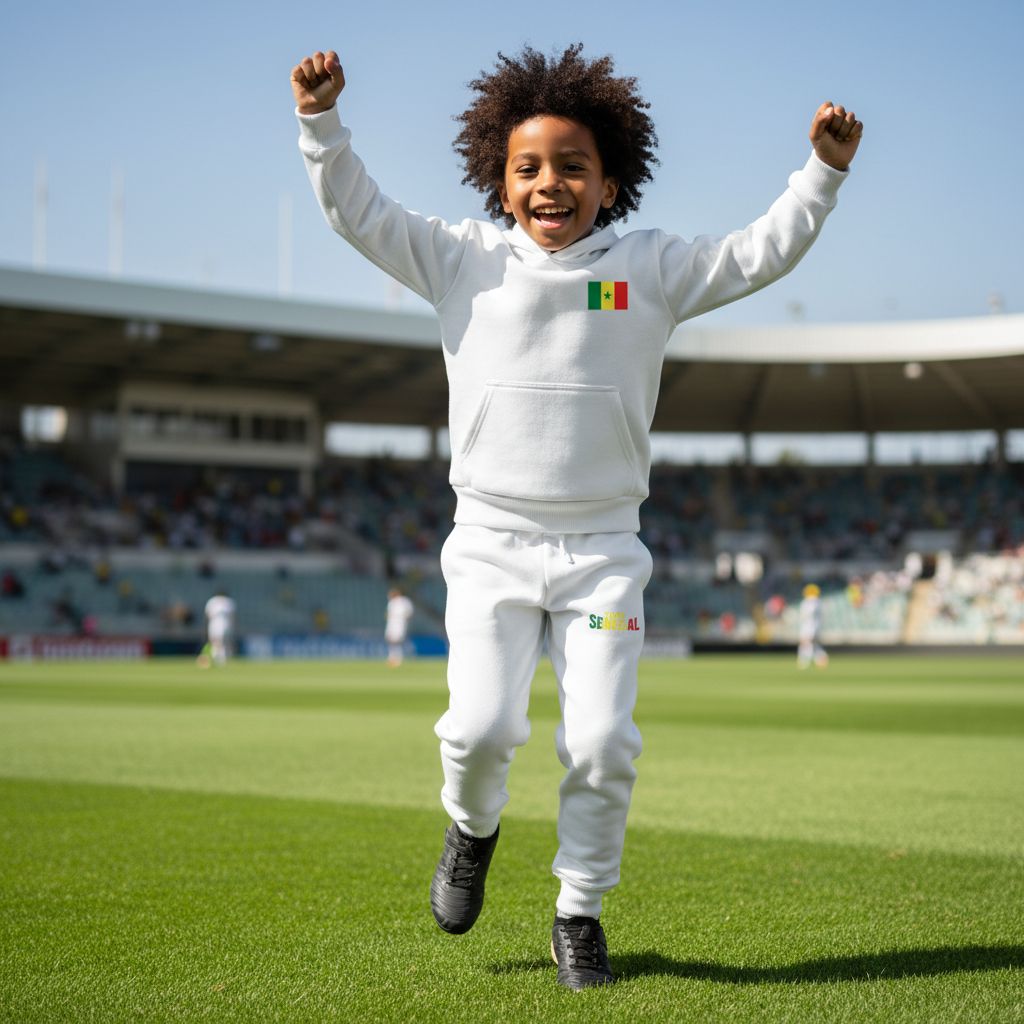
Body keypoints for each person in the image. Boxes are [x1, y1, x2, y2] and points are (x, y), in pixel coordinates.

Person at [291, 43, 861, 990]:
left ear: (610, 179)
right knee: (478, 732)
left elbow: (759, 252)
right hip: (489, 546)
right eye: (528, 167)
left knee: (600, 742)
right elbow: (358, 211)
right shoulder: (457, 260)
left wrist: (821, 174)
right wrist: (320, 124)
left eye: (572, 166)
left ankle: (578, 913)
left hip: (602, 555)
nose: (549, 182)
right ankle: (471, 832)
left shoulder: (652, 269)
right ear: (499, 179)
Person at [201, 588, 236, 668]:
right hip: (226, 625)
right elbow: (232, 616)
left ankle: (217, 658)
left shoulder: (212, 601)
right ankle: (221, 659)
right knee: (223, 642)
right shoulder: (229, 602)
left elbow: (208, 615)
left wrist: (205, 627)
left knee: (215, 642)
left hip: (214, 625)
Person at [797, 582, 829, 668]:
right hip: (814, 626)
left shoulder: (811, 601)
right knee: (813, 644)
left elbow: (808, 614)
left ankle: (805, 660)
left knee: (807, 643)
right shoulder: (818, 601)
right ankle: (820, 659)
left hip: (810, 626)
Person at [385, 586, 415, 667]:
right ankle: (392, 657)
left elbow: (409, 612)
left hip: (400, 624)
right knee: (391, 641)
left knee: (397, 641)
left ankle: (398, 658)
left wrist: (403, 618)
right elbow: (388, 614)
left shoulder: (405, 601)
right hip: (391, 624)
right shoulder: (391, 603)